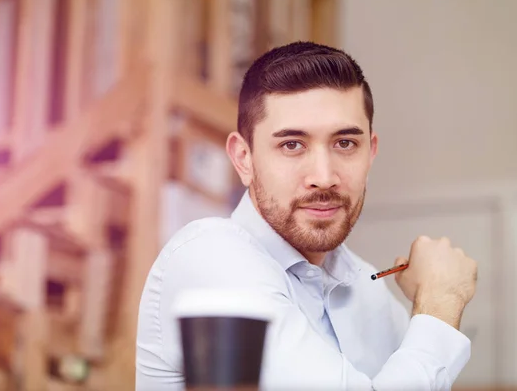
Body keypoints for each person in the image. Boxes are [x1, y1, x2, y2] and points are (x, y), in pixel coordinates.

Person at [135, 42, 478, 390]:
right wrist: (440, 301)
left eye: (345, 143)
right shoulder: (209, 256)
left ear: (370, 152)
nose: (324, 176)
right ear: (243, 158)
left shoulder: (368, 288)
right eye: (292, 145)